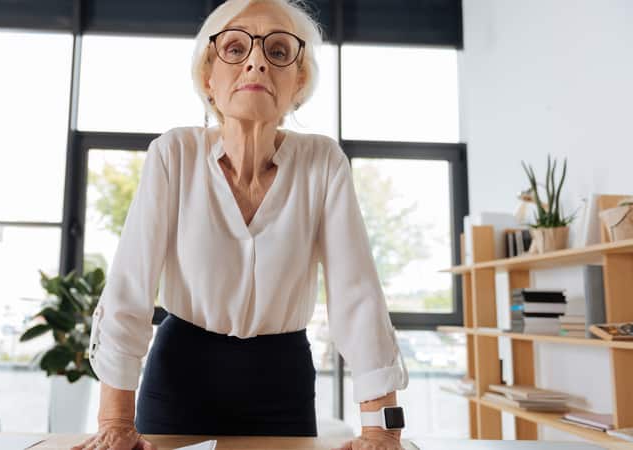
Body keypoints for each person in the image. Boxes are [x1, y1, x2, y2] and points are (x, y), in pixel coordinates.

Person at [72, 1, 409, 449]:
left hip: (281, 379)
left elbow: (357, 298)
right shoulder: (174, 154)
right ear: (209, 78)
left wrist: (381, 429)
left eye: (278, 51)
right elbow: (130, 289)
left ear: (299, 81)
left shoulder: (323, 162)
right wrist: (114, 421)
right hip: (179, 372)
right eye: (235, 48)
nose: (256, 61)